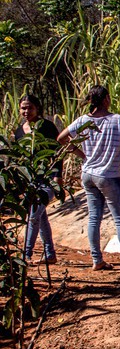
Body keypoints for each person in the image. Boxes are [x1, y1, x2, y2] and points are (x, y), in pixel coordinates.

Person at [58, 85, 120, 270]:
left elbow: (61, 138)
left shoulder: (83, 120)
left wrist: (82, 155)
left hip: (88, 174)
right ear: (106, 98)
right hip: (108, 175)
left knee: (94, 218)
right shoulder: (116, 120)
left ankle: (97, 260)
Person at [14, 94, 61, 265]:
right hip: (30, 180)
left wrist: (58, 175)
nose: (26, 111)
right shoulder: (20, 131)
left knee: (33, 216)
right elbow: (17, 157)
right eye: (23, 108)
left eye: (29, 107)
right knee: (41, 218)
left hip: (47, 178)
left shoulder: (46, 127)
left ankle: (27, 253)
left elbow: (57, 151)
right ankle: (50, 253)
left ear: (37, 108)